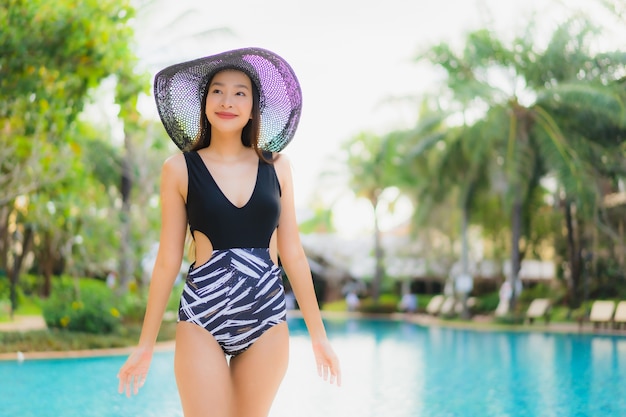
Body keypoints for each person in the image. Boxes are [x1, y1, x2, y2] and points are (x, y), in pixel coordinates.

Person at [117, 47, 341, 417]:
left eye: (240, 93)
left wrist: (319, 337)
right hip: (203, 317)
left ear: (254, 108)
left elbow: (294, 254)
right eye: (217, 91)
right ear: (204, 103)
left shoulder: (278, 167)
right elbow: (168, 258)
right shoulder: (178, 169)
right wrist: (145, 344)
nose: (228, 101)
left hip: (266, 318)